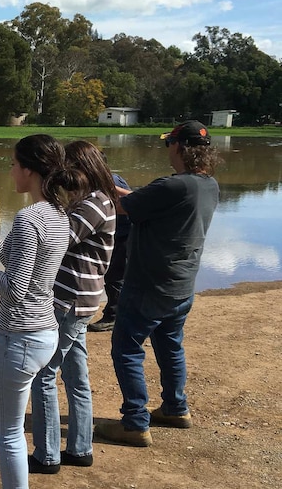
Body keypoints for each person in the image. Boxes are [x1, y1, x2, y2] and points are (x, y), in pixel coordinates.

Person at [95, 120, 220, 447]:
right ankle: (176, 408)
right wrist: (117, 187)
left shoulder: (173, 186)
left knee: (126, 350)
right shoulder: (207, 184)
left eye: (169, 144)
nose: (168, 149)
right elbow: (140, 199)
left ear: (179, 147)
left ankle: (135, 423)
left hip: (148, 285)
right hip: (180, 287)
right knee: (170, 345)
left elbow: (122, 206)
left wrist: (94, 176)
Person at [29, 140, 118, 474]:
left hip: (69, 301)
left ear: (84, 168)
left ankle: (47, 455)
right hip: (80, 300)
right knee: (76, 376)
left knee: (44, 375)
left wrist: (43, 197)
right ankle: (80, 449)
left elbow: (58, 240)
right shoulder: (94, 200)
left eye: (68, 167)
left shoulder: (95, 204)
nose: (62, 173)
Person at [0, 134, 72, 489]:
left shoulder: (28, 218)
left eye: (12, 164)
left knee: (8, 434)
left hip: (18, 338)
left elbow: (15, 289)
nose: (10, 171)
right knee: (12, 430)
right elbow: (26, 268)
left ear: (29, 169)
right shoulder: (60, 214)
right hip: (44, 332)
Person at [88, 168, 131, 332]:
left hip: (122, 234)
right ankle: (115, 313)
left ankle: (113, 316)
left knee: (115, 276)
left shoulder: (111, 181)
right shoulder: (103, 179)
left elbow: (124, 205)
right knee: (114, 275)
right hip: (116, 233)